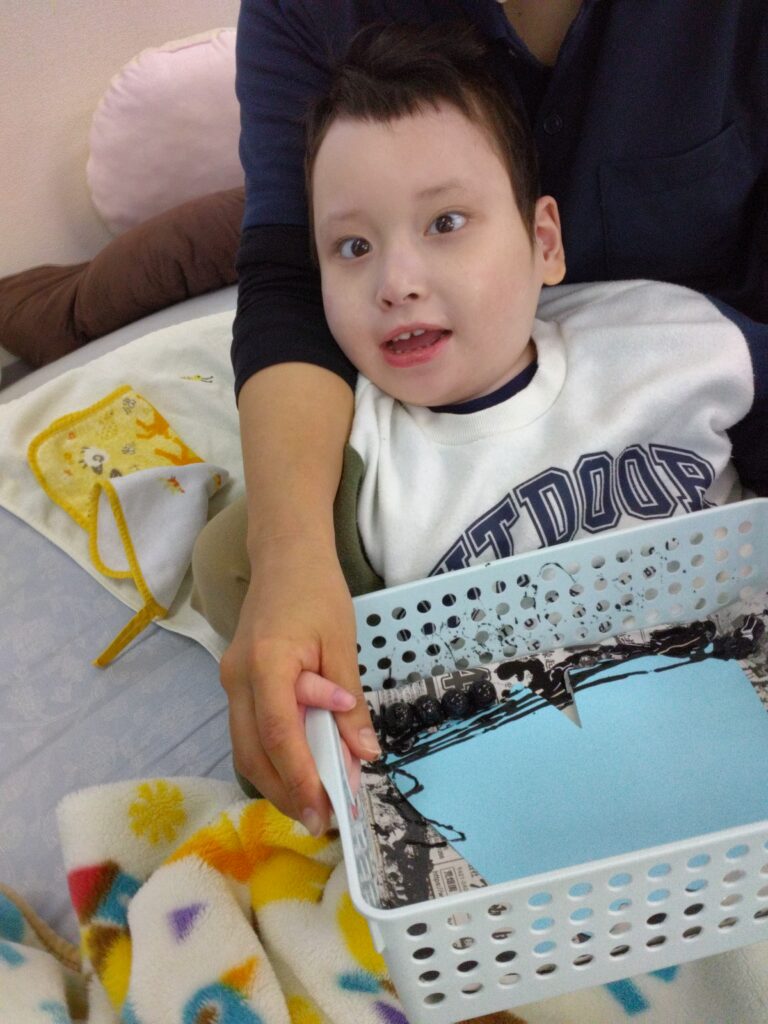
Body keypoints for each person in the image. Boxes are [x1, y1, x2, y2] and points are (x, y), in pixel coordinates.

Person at [196, 13, 768, 835]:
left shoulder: (680, 341)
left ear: (545, 241)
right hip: (531, 813)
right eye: (352, 248)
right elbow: (260, 607)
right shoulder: (357, 471)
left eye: (445, 224)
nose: (396, 282)